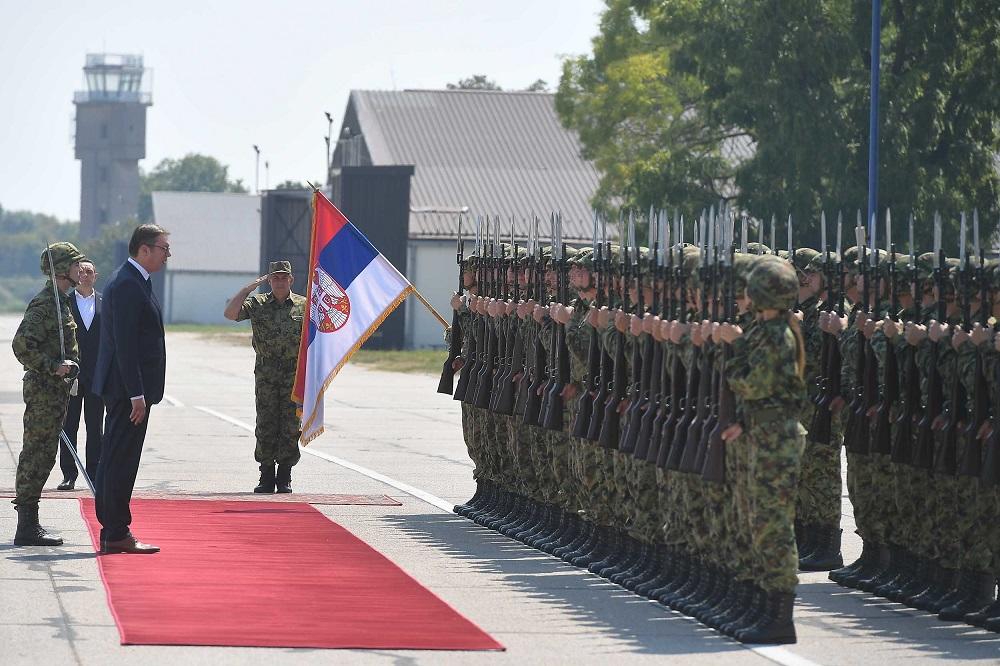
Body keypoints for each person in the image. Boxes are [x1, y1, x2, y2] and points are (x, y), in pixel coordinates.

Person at [719, 256, 807, 644]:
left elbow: (753, 384)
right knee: (761, 521)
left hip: (776, 438)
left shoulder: (774, 335)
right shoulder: (768, 329)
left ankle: (780, 617)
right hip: (765, 432)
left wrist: (733, 355)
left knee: (773, 525)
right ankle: (765, 608)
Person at [92, 224, 169, 554]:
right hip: (127, 392)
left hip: (128, 389)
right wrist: (137, 393)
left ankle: (113, 528)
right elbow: (125, 345)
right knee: (120, 459)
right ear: (144, 249)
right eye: (164, 248)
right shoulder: (127, 283)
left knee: (117, 456)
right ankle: (116, 531)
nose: (168, 255)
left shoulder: (135, 280)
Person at [11, 242, 86, 546]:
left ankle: (30, 524)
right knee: (37, 454)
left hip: (56, 393)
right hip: (44, 391)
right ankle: (27, 527)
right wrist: (54, 367)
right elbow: (21, 346)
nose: (80, 269)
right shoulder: (45, 305)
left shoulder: (62, 302)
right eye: (74, 264)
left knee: (45, 455)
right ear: (61, 270)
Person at [224, 261, 306, 493]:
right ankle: (266, 474)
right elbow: (230, 314)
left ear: (291, 280)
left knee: (291, 425)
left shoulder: (303, 306)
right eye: (275, 278)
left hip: (293, 372)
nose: (280, 281)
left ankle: (285, 475)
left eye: (284, 277)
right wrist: (247, 289)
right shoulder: (258, 304)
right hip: (267, 372)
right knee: (266, 423)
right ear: (269, 281)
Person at [58, 260, 104, 490]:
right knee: (69, 426)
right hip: (71, 376)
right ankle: (69, 474)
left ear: (96, 275)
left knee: (95, 426)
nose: (85, 274)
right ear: (75, 275)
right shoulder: (64, 303)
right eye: (81, 271)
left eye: (89, 271)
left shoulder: (106, 302)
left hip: (97, 376)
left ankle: (95, 473)